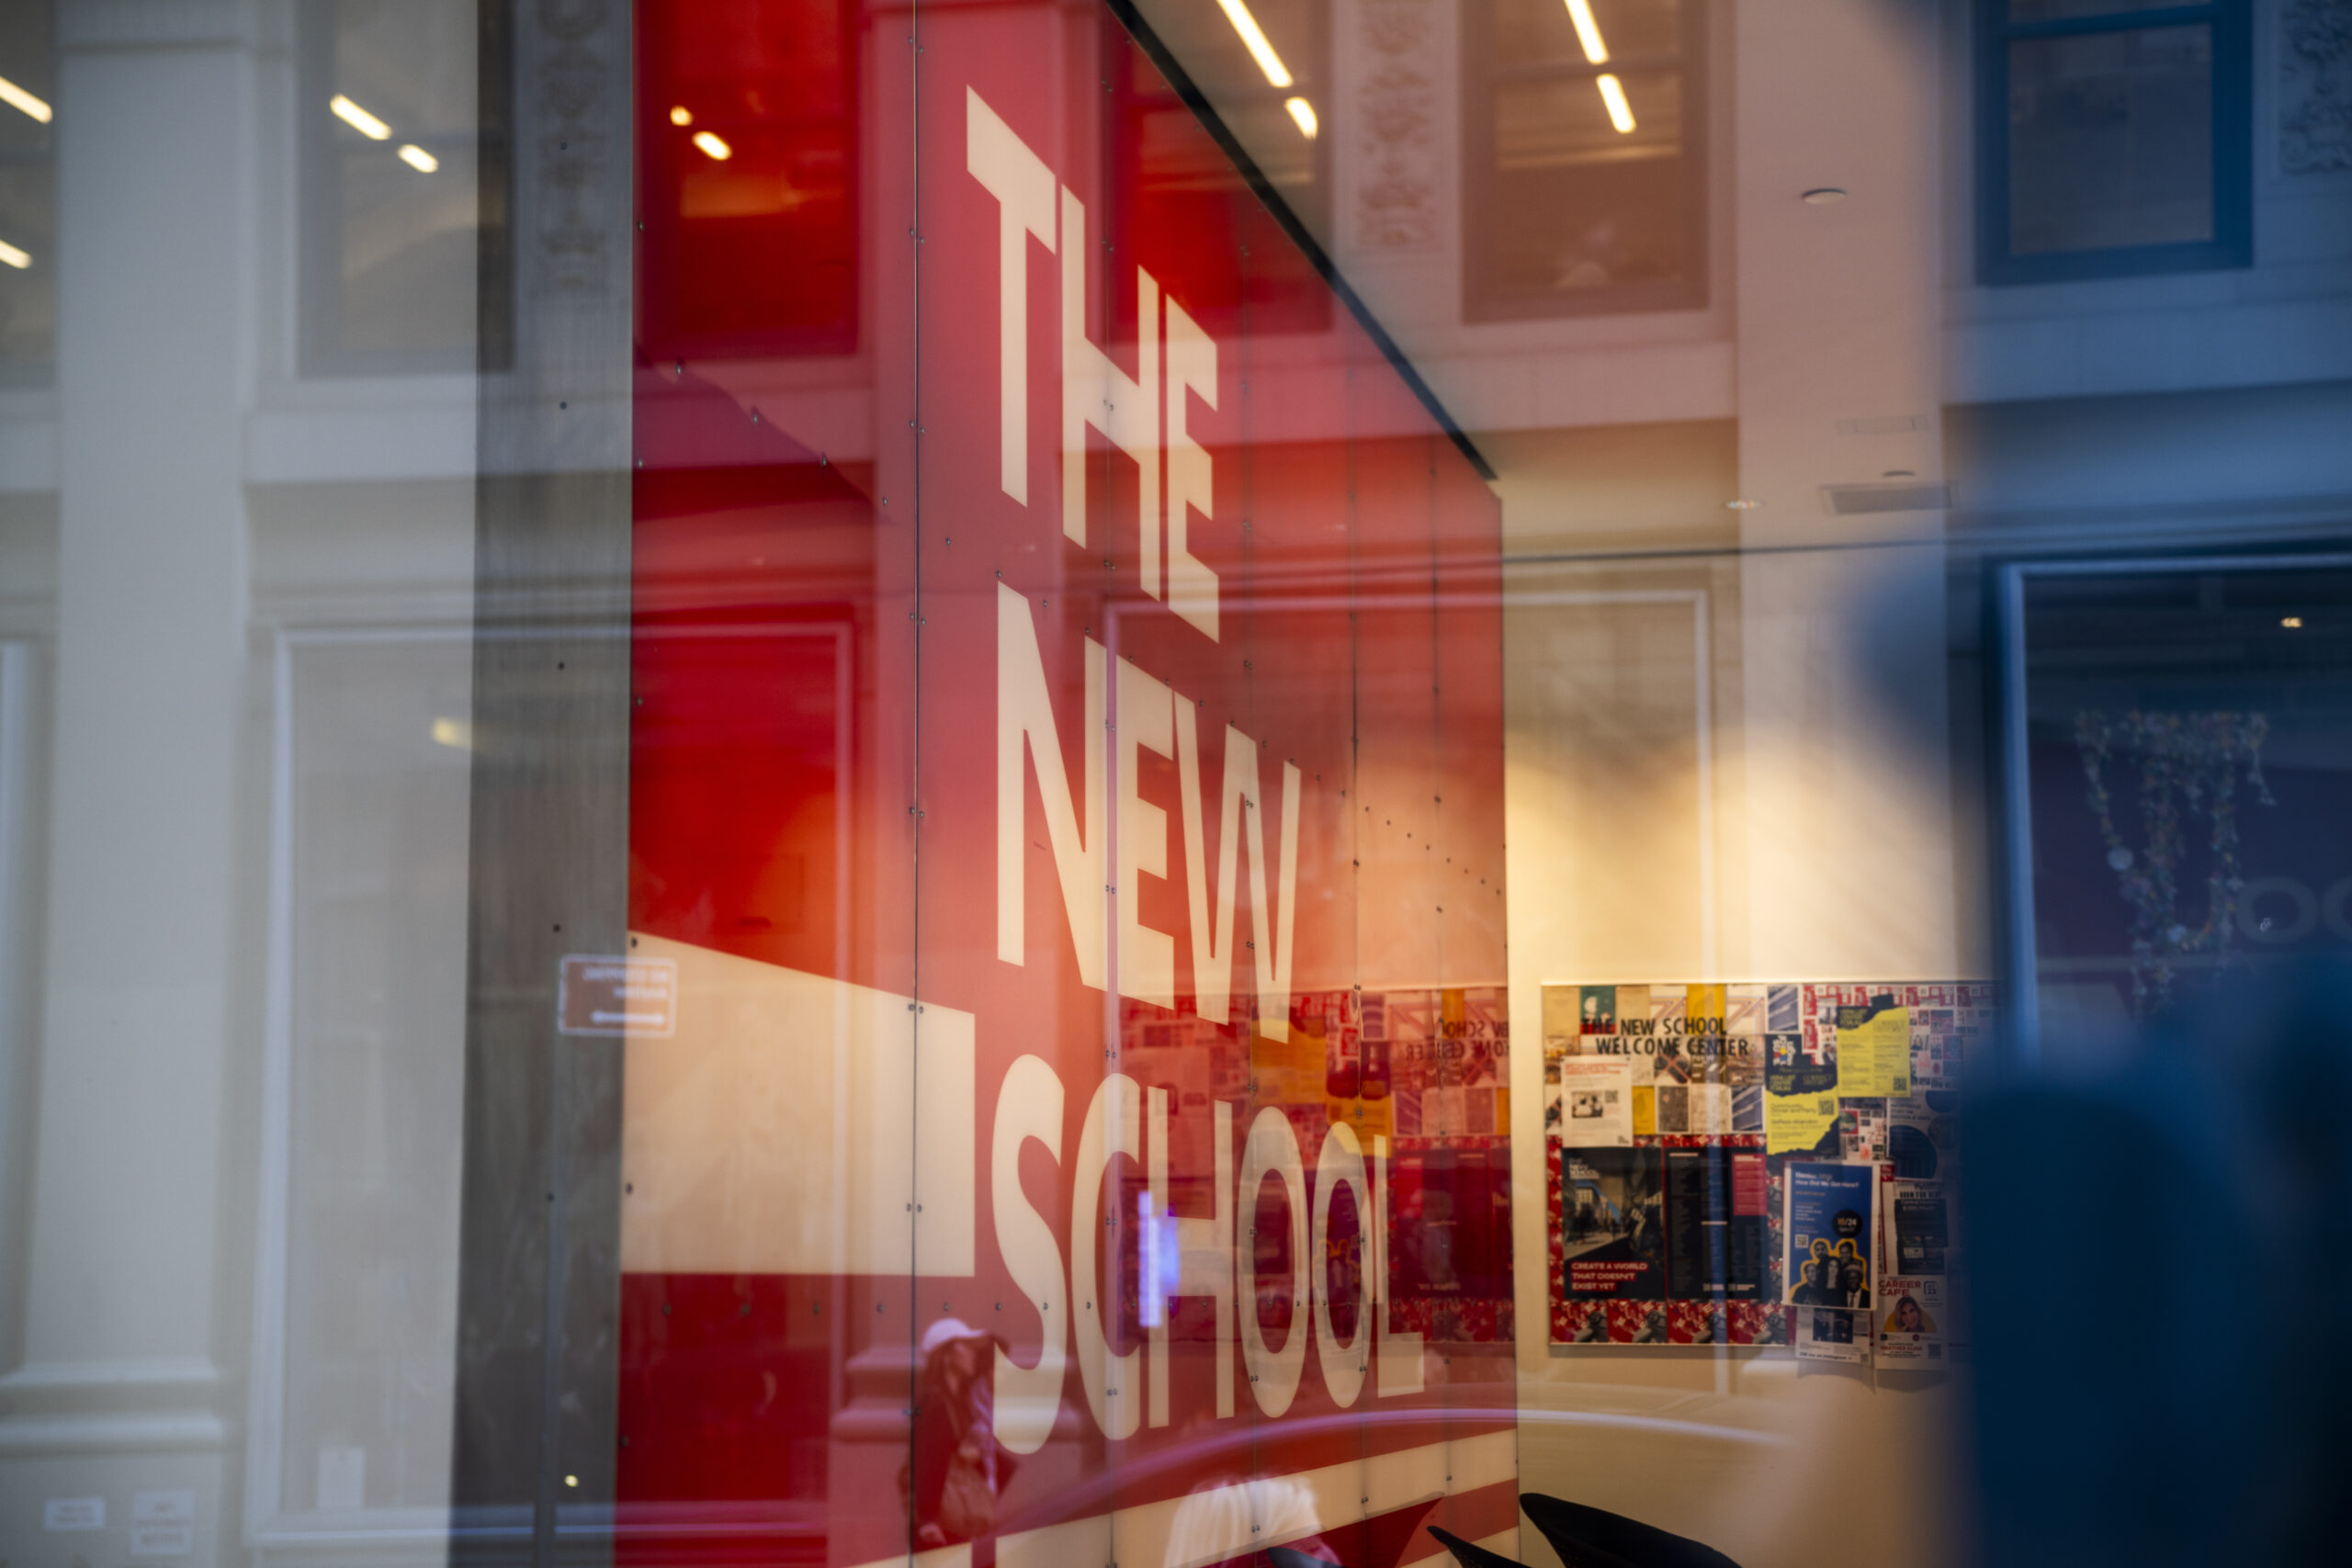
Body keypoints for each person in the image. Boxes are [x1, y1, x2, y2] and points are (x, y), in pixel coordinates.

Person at [906, 1317, 1013, 1547]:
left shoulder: (961, 1401)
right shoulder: (934, 1402)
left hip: (959, 1517)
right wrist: (928, 1520)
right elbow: (926, 1461)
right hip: (942, 1524)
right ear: (946, 1356)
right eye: (965, 1346)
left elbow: (996, 1348)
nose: (973, 1354)